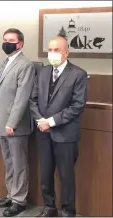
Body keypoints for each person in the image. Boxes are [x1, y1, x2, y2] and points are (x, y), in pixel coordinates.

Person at [30, 36, 88, 217]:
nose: (53, 54)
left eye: (57, 50)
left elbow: (77, 106)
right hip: (43, 133)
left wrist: (51, 121)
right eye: (50, 50)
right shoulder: (43, 72)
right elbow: (32, 99)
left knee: (66, 176)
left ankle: (68, 211)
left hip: (65, 134)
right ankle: (49, 208)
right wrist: (41, 120)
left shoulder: (78, 74)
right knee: (45, 174)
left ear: (67, 52)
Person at [0, 28, 35, 217]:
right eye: (5, 39)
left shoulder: (25, 65)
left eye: (11, 40)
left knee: (19, 163)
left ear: (20, 44)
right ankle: (11, 194)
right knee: (9, 162)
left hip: (14, 125)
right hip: (1, 122)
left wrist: (12, 122)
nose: (7, 42)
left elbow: (22, 97)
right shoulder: (5, 62)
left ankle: (19, 200)